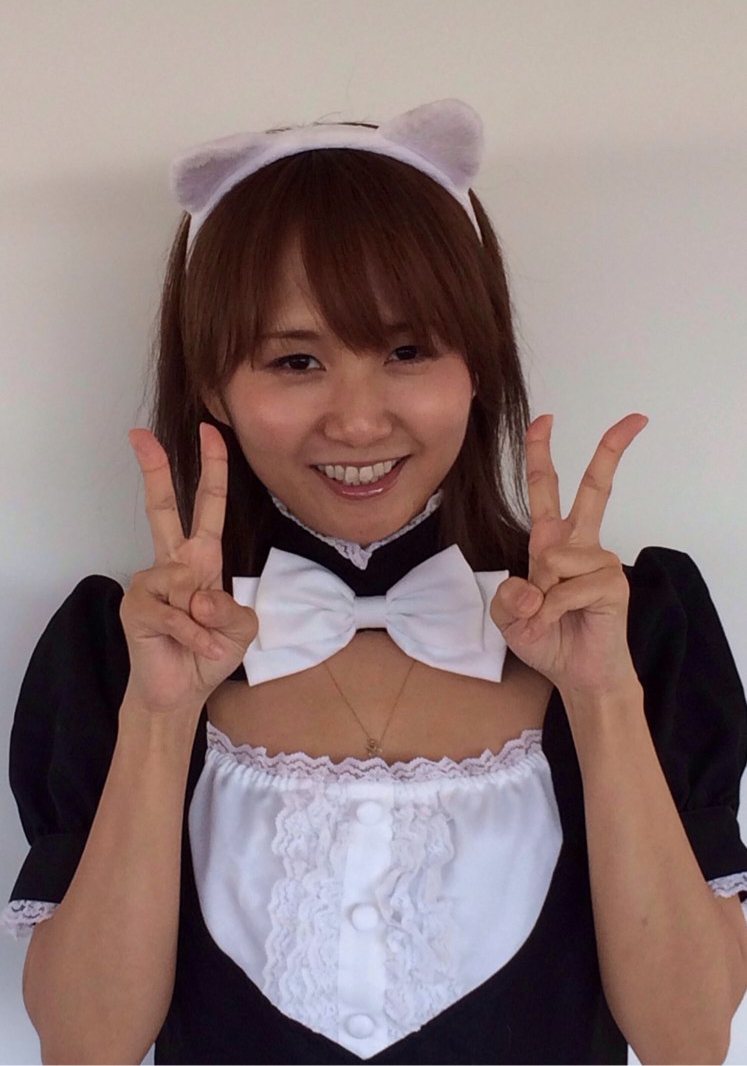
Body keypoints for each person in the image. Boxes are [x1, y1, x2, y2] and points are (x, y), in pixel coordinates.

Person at [3, 98, 747, 1065]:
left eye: (406, 350)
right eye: (294, 359)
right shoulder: (121, 650)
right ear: (214, 384)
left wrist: (602, 698)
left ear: (477, 364)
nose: (357, 421)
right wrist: (160, 717)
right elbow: (84, 1045)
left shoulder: (633, 631)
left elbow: (688, 1037)